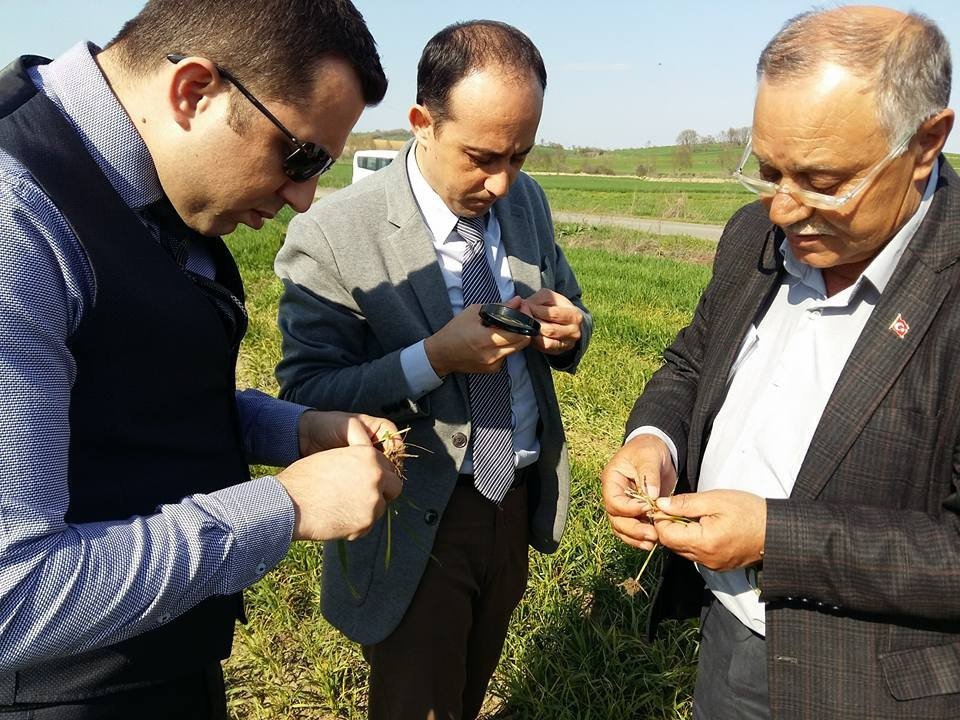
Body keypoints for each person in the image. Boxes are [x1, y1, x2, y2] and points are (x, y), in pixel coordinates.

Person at [0, 0, 403, 716]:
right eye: (301, 155)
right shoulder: (16, 224)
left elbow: (116, 392)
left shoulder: (137, 180)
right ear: (194, 91)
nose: (305, 198)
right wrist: (286, 505)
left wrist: (290, 430)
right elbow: (15, 598)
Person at [602, 6, 957, 720]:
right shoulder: (750, 239)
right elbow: (690, 363)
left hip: (874, 687)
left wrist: (773, 536)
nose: (785, 210)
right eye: (768, 171)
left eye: (824, 181)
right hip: (728, 640)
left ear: (926, 143)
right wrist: (654, 440)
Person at [275, 20, 593, 720]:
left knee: (471, 683)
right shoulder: (334, 234)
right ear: (422, 122)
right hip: (416, 510)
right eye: (482, 156)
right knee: (418, 703)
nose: (502, 180)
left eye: (521, 155)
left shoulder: (525, 200)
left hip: (512, 494)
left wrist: (568, 330)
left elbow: (571, 301)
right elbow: (305, 394)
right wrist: (432, 359)